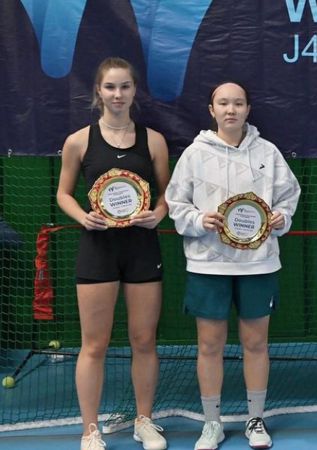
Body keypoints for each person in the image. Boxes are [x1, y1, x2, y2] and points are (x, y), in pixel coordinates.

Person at [166, 81, 301, 450]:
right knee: (209, 344)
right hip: (208, 265)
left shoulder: (268, 152)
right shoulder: (194, 154)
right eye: (223, 103)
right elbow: (176, 204)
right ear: (212, 110)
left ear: (247, 109)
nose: (231, 110)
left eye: (238, 103)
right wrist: (199, 220)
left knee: (255, 342)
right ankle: (212, 423)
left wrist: (281, 218)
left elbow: (288, 196)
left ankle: (256, 419)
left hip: (258, 264)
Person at [56, 57, 170, 450]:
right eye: (110, 87)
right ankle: (90, 430)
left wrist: (157, 215)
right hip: (97, 250)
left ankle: (144, 420)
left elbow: (166, 195)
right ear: (98, 91)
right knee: (94, 344)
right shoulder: (78, 141)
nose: (117, 94)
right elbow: (63, 194)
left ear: (134, 91)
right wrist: (83, 217)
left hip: (142, 249)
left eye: (124, 86)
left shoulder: (153, 140)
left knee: (144, 339)